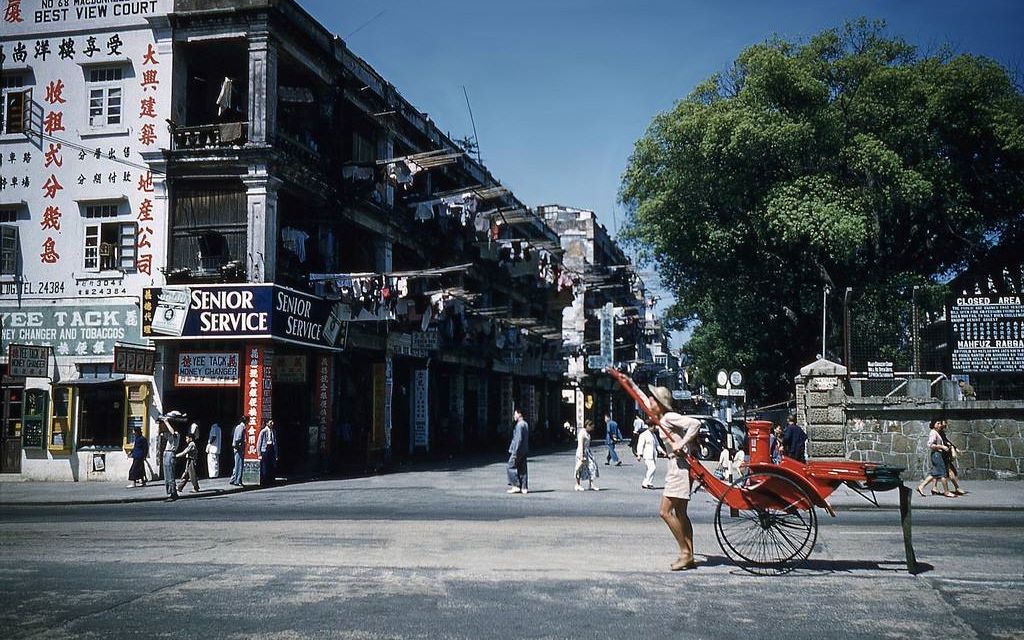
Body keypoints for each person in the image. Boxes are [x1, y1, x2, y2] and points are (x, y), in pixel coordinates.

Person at [647, 385, 701, 571]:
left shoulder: (669, 417)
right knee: (680, 513)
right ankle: (690, 554)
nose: (650, 401)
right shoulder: (662, 419)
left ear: (660, 403)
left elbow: (695, 424)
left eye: (653, 399)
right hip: (677, 466)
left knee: (665, 511)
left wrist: (681, 443)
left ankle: (685, 553)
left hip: (678, 468)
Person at [916, 419, 955, 497]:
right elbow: (930, 444)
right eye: (938, 423)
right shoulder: (933, 433)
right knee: (943, 474)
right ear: (934, 424)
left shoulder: (936, 433)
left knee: (935, 474)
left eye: (940, 423)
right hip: (937, 455)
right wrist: (942, 446)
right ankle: (946, 492)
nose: (940, 425)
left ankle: (921, 486)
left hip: (937, 455)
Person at [938, 420, 967, 496]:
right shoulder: (937, 432)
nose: (946, 424)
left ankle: (956, 488)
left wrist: (955, 448)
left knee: (935, 474)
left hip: (944, 455)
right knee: (937, 474)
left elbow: (947, 441)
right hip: (941, 455)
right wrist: (949, 446)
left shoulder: (941, 432)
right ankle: (953, 489)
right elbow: (942, 442)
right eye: (944, 422)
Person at [506, 408, 529, 494]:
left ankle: (515, 485)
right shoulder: (525, 424)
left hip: (518, 450)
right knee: (522, 468)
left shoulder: (519, 425)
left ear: (519, 414)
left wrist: (515, 450)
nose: (514, 416)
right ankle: (524, 487)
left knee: (510, 466)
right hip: (524, 449)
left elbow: (518, 439)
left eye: (515, 414)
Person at [636, 421, 665, 489]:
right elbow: (640, 445)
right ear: (650, 426)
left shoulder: (653, 435)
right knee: (652, 468)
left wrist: (663, 452)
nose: (654, 428)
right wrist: (639, 454)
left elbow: (657, 445)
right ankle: (646, 482)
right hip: (647, 455)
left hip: (653, 454)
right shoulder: (643, 435)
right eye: (653, 427)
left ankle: (648, 482)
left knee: (651, 469)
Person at [574, 420, 600, 491]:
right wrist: (581, 455)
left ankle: (591, 484)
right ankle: (577, 484)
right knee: (579, 468)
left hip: (588, 452)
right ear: (587, 425)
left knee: (592, 466)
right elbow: (580, 445)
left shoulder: (588, 433)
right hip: (581, 452)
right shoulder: (582, 433)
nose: (592, 429)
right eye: (591, 427)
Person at [160, 416, 180, 502]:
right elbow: (161, 433)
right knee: (167, 475)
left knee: (170, 474)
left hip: (170, 453)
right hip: (166, 453)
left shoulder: (176, 434)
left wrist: (166, 422)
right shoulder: (168, 434)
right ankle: (171, 492)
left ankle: (173, 493)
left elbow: (173, 433)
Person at [257, 418, 278, 486]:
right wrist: (259, 453)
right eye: (270, 422)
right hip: (265, 449)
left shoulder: (273, 431)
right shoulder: (263, 431)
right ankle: (264, 481)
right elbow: (259, 443)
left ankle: (271, 480)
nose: (272, 424)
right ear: (266, 423)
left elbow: (275, 442)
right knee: (264, 466)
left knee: (271, 465)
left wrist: (276, 454)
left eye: (272, 422)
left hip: (271, 448)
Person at [230, 416, 246, 486]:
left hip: (237, 448)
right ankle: (237, 480)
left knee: (237, 464)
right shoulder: (241, 427)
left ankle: (233, 479)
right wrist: (237, 447)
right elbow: (238, 438)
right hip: (239, 448)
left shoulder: (238, 427)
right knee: (239, 465)